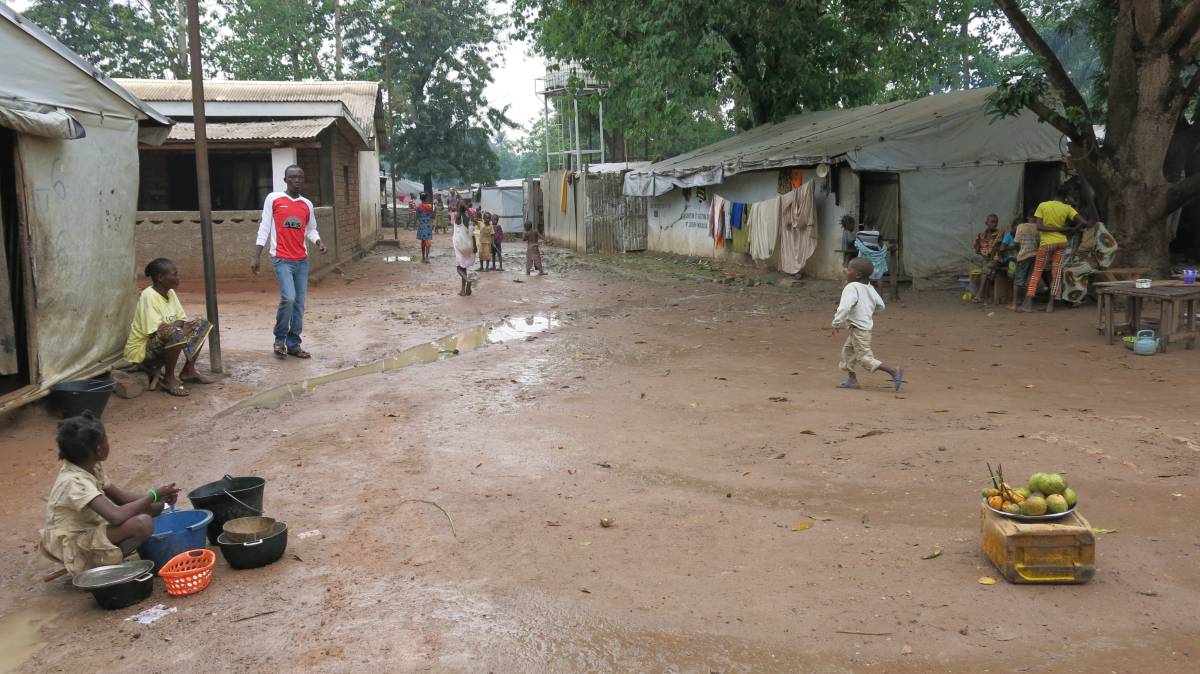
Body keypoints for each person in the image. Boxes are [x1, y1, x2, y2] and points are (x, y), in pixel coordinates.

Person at [38, 412, 180, 578]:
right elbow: (116, 516)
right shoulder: (74, 481)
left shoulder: (90, 465)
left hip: (89, 527)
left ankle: (105, 559)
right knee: (142, 524)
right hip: (72, 542)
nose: (108, 444)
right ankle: (100, 569)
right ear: (99, 450)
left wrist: (159, 499)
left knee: (154, 508)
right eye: (106, 441)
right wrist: (153, 495)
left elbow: (121, 498)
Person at [251, 165, 328, 359]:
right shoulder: (274, 199)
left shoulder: (307, 204)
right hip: (282, 259)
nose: (297, 180)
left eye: (300, 177)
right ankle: (279, 340)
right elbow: (265, 226)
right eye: (292, 177)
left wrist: (319, 242)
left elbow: (310, 229)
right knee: (289, 298)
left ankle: (294, 344)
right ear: (285, 180)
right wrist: (256, 255)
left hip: (302, 260)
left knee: (299, 303)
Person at [123, 258, 215, 397]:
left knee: (201, 324)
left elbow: (181, 318)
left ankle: (188, 371)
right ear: (160, 278)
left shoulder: (170, 292)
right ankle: (169, 378)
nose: (178, 278)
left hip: (163, 339)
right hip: (141, 351)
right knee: (174, 332)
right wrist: (178, 329)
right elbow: (156, 331)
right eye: (174, 274)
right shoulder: (148, 296)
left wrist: (178, 328)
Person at [832, 258, 903, 391]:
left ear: (857, 274)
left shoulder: (851, 287)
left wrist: (836, 322)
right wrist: (868, 312)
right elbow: (881, 305)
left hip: (859, 330)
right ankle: (852, 380)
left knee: (864, 358)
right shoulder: (869, 288)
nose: (847, 272)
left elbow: (844, 307)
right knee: (847, 353)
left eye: (849, 269)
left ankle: (893, 371)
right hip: (861, 328)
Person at [1020, 184, 1090, 313]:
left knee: (1036, 272)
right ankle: (1050, 304)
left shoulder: (1043, 206)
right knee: (1056, 273)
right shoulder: (1067, 208)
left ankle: (1028, 304)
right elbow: (1084, 222)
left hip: (1046, 243)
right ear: (1065, 197)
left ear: (1053, 194)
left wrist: (1059, 229)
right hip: (1061, 243)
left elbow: (1039, 227)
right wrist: (1069, 231)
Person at [971, 214, 1004, 303]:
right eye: (992, 222)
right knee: (974, 264)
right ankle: (975, 292)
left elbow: (997, 249)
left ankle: (979, 295)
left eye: (996, 222)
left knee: (986, 268)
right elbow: (977, 250)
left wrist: (988, 254)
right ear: (986, 223)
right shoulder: (981, 235)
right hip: (984, 259)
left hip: (995, 259)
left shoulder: (1000, 234)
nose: (994, 224)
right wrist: (982, 253)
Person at [1009, 215, 1040, 310]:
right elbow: (1039, 243)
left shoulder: (1021, 227)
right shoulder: (1037, 227)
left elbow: (1016, 243)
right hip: (1034, 256)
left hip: (1023, 257)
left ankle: (1014, 304)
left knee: (1017, 281)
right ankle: (1028, 304)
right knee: (1030, 280)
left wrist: (1019, 252)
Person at [452, 204, 477, 296]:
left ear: (458, 207)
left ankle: (468, 280)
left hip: (459, 245)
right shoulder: (467, 219)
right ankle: (463, 290)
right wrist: (475, 246)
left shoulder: (457, 217)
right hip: (468, 244)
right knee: (464, 267)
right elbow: (472, 234)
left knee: (458, 269)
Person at [416, 193, 434, 263]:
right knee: (428, 242)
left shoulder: (418, 207)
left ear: (421, 199)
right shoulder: (430, 207)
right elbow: (433, 217)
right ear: (427, 198)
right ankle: (427, 257)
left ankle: (423, 257)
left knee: (423, 242)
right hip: (428, 226)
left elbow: (417, 217)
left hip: (421, 226)